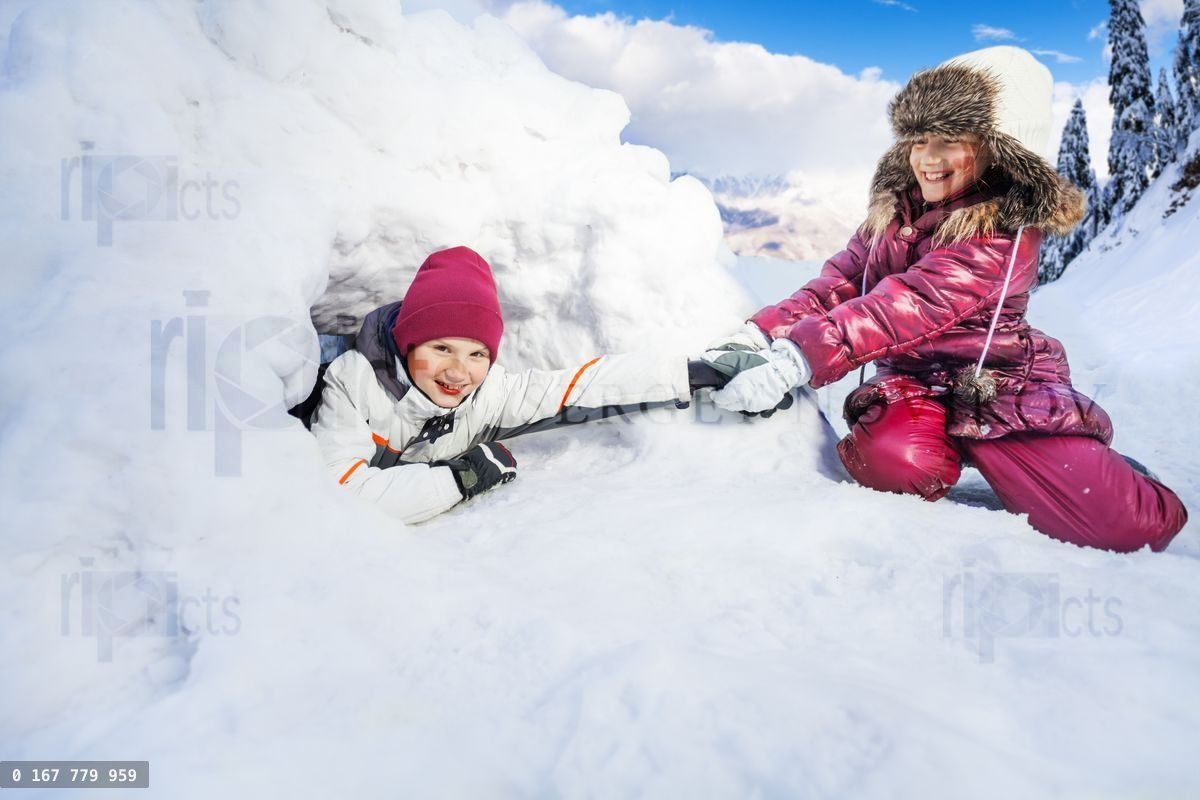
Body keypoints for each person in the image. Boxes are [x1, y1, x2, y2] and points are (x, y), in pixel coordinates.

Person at [702, 46, 1188, 552]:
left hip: (996, 382)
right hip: (914, 382)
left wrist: (800, 357)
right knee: (893, 463)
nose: (926, 160)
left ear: (999, 147)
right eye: (919, 140)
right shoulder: (897, 209)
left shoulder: (1005, 228)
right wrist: (762, 332)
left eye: (949, 140)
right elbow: (844, 281)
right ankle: (949, 452)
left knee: (1125, 526)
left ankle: (1109, 475)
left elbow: (911, 302)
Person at [310, 245, 702, 524]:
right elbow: (342, 496)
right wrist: (462, 477)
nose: (458, 372)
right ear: (408, 341)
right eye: (442, 347)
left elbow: (576, 389)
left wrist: (696, 374)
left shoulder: (486, 396)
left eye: (477, 354)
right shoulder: (352, 383)